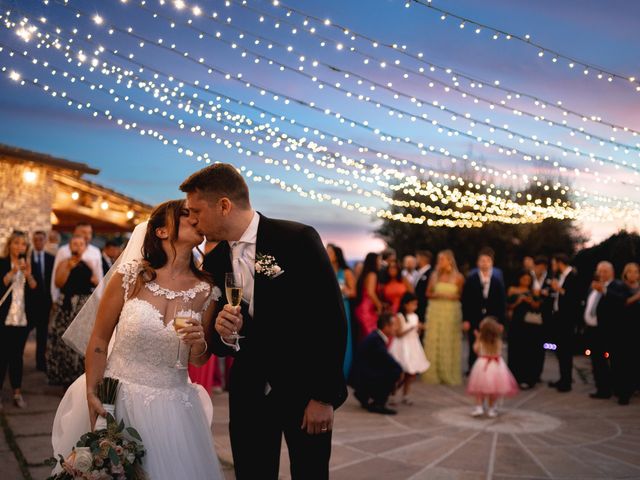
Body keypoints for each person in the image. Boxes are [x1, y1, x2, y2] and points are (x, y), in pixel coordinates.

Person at [181, 164, 347, 480]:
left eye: (197, 211)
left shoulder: (297, 239)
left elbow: (331, 320)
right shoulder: (215, 260)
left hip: (304, 389)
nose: (193, 220)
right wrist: (224, 334)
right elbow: (220, 343)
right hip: (249, 392)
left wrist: (324, 396)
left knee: (310, 473)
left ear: (224, 206)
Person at [52, 200, 224, 479]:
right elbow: (98, 340)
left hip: (175, 410)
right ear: (161, 232)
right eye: (185, 214)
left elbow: (199, 357)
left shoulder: (208, 290)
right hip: (117, 399)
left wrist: (198, 343)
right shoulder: (131, 277)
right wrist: (92, 395)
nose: (194, 218)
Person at [46, 235, 98, 388]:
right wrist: (68, 267)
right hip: (68, 306)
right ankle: (63, 377)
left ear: (84, 247)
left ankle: (78, 376)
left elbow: (95, 280)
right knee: (64, 341)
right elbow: (58, 282)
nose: (78, 247)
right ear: (70, 247)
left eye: (81, 244)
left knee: (81, 340)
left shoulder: (88, 264)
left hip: (83, 306)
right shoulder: (63, 262)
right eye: (75, 244)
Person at [1, 230, 38, 409]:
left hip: (22, 320)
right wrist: (12, 272)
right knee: (2, 356)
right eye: (16, 243)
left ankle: (17, 392)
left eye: (23, 244)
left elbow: (36, 290)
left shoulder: (30, 264)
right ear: (9, 245)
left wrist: (28, 274)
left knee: (17, 357)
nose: (19, 247)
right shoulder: (2, 263)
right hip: (4, 319)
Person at [422, 250, 464, 386]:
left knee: (448, 339)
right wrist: (438, 295)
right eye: (439, 260)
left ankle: (448, 372)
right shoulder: (434, 276)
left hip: (451, 311)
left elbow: (461, 295)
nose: (440, 262)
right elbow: (427, 293)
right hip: (435, 310)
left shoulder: (458, 277)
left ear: (449, 261)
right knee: (435, 339)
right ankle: (434, 372)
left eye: (442, 260)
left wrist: (450, 297)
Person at [583, 261, 625, 400]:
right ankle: (602, 389)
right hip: (592, 330)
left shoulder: (617, 285)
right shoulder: (593, 286)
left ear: (612, 272)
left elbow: (621, 300)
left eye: (605, 271)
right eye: (599, 271)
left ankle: (618, 390)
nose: (602, 274)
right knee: (596, 361)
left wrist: (605, 291)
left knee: (614, 361)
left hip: (608, 331)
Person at [462, 248, 507, 372]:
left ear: (492, 263)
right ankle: (473, 368)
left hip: (492, 319)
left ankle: (489, 369)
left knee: (490, 343)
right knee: (474, 342)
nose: (485, 263)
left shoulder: (497, 281)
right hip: (474, 317)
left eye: (487, 261)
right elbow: (466, 301)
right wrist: (465, 319)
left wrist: (501, 322)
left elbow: (501, 303)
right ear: (478, 263)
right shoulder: (471, 280)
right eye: (482, 260)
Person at [351, 313, 403, 415]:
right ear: (386, 327)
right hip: (362, 377)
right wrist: (400, 372)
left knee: (393, 368)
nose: (396, 328)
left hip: (362, 375)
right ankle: (378, 403)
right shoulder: (376, 340)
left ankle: (363, 394)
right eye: (394, 325)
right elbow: (389, 361)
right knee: (395, 371)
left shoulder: (376, 336)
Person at [467, 317, 518, 418]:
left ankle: (479, 407)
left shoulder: (481, 341)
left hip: (482, 366)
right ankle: (491, 409)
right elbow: (499, 351)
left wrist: (477, 338)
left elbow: (476, 349)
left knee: (479, 389)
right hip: (496, 367)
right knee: (493, 391)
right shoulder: (498, 341)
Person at [547, 253, 581, 393]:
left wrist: (559, 289)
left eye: (554, 263)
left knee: (565, 351)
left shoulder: (573, 276)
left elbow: (574, 298)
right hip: (559, 319)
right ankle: (562, 378)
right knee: (560, 351)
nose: (553, 267)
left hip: (567, 320)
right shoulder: (561, 276)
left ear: (560, 262)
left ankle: (566, 382)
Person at [389, 293, 430, 405]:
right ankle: (393, 394)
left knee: (410, 373)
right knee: (399, 373)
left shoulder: (415, 316)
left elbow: (417, 333)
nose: (414, 307)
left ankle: (406, 395)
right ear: (405, 305)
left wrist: (419, 329)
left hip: (413, 345)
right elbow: (398, 334)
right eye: (412, 304)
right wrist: (411, 328)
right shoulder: (400, 317)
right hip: (402, 346)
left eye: (415, 305)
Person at [507, 271, 543, 389]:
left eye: (528, 279)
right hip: (516, 324)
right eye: (524, 279)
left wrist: (531, 301)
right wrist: (519, 300)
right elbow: (508, 305)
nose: (526, 281)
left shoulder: (534, 291)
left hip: (530, 326)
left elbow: (538, 306)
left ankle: (528, 378)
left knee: (528, 351)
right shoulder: (512, 289)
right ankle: (514, 377)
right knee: (515, 350)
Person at [51, 222, 103, 303]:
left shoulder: (95, 252)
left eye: (89, 233)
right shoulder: (63, 251)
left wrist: (99, 299)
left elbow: (99, 276)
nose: (87, 235)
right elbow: (55, 277)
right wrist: (54, 298)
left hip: (86, 300)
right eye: (84, 232)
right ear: (75, 232)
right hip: (67, 298)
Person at [26, 230, 55, 372]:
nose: (38, 242)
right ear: (32, 240)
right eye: (36, 240)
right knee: (25, 332)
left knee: (42, 334)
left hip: (45, 302)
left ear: (45, 241)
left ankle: (40, 362)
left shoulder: (51, 258)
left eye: (41, 240)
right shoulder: (27, 258)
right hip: (30, 302)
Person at [327, 243, 356, 379]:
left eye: (330, 252)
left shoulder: (346, 272)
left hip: (343, 306)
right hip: (327, 307)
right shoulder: (324, 269)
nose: (327, 254)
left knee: (343, 336)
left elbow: (353, 292)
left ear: (337, 255)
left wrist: (343, 290)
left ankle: (343, 371)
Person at [613, 263, 640, 405]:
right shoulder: (620, 287)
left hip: (637, 331)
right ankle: (623, 393)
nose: (633, 274)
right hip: (623, 331)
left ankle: (632, 387)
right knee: (623, 362)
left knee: (634, 362)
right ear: (625, 273)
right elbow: (622, 303)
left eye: (636, 271)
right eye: (630, 271)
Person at [354, 253, 383, 341]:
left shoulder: (365, 274)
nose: (380, 262)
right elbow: (371, 292)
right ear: (374, 261)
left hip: (362, 307)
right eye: (379, 260)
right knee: (371, 338)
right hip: (368, 310)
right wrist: (379, 306)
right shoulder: (372, 274)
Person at [413, 250, 433, 334]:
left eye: (417, 258)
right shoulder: (418, 272)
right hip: (417, 307)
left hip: (424, 309)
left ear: (423, 259)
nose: (415, 260)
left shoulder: (431, 273)